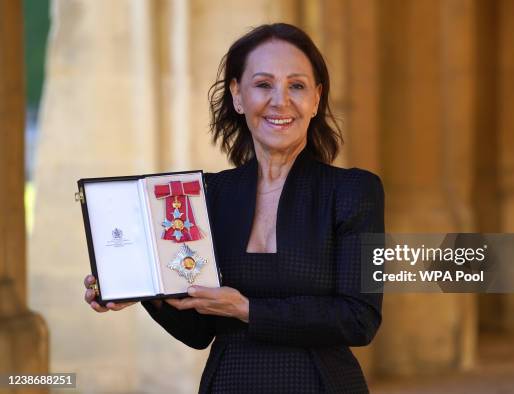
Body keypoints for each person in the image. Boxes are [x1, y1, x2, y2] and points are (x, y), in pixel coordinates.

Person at [84, 23, 384, 393]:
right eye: (263, 85)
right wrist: (144, 288)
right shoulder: (210, 194)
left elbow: (360, 319)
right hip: (230, 382)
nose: (281, 100)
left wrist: (247, 309)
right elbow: (199, 332)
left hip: (319, 383)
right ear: (238, 96)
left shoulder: (355, 191)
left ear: (316, 99)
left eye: (297, 85)